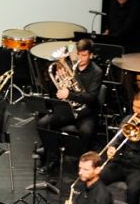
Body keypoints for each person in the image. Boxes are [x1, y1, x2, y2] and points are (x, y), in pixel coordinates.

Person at [37, 38, 103, 173]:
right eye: (78, 54)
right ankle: (52, 157)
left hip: (86, 113)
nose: (80, 58)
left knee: (86, 131)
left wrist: (69, 94)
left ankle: (83, 166)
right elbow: (55, 92)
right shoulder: (71, 66)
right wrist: (56, 79)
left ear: (91, 55)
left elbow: (91, 98)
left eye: (84, 55)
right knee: (43, 123)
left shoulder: (97, 72)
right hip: (68, 110)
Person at [100, 90, 140, 204]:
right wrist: (112, 147)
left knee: (133, 190)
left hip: (139, 168)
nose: (135, 110)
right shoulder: (128, 119)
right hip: (120, 162)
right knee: (97, 178)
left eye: (139, 108)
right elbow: (118, 138)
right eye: (134, 106)